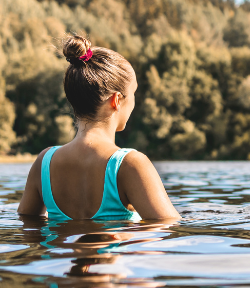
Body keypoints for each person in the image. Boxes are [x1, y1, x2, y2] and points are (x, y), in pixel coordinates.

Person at [18, 34, 180, 222]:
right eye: (133, 93)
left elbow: (27, 222)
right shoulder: (130, 165)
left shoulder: (43, 163)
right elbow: (168, 227)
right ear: (116, 100)